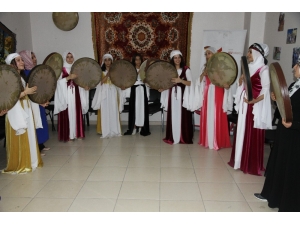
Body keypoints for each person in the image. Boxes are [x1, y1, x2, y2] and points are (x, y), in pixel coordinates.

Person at [254, 56, 300, 211]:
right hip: (285, 132)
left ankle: (287, 203)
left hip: (295, 135)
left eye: (297, 65)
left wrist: (294, 124)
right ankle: (271, 195)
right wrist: (277, 99)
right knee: (278, 165)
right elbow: (287, 107)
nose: (294, 68)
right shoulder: (295, 85)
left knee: (289, 169)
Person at [228, 43, 273, 176]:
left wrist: (254, 101)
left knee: (250, 132)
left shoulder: (264, 70)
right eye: (248, 52)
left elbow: (265, 90)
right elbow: (243, 85)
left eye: (250, 52)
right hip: (244, 105)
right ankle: (239, 160)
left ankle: (250, 163)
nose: (248, 55)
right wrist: (241, 81)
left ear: (258, 54)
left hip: (254, 107)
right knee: (241, 130)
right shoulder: (248, 68)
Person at [2, 53, 43, 174]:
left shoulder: (21, 77)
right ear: (11, 64)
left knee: (29, 134)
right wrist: (26, 92)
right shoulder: (8, 78)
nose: (22, 62)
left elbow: (27, 94)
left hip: (25, 107)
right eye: (18, 60)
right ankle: (21, 163)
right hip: (16, 111)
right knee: (21, 136)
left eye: (22, 60)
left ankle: (30, 160)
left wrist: (40, 103)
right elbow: (10, 97)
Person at [194, 46, 231, 150]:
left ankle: (217, 141)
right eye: (206, 54)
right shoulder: (205, 67)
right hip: (207, 92)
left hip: (218, 91)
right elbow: (199, 81)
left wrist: (226, 86)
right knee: (207, 114)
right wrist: (203, 74)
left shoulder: (221, 67)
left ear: (214, 54)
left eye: (209, 53)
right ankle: (207, 140)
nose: (207, 56)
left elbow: (226, 80)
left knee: (217, 114)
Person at [19, 50, 50, 156]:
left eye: (34, 56)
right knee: (34, 123)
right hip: (31, 102)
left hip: (38, 100)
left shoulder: (34, 70)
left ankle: (40, 144)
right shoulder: (25, 74)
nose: (35, 59)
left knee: (40, 121)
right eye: (32, 57)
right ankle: (36, 146)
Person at [160, 50, 194, 144]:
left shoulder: (186, 69)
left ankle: (183, 137)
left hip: (182, 96)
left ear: (181, 58)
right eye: (175, 57)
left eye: (179, 57)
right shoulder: (169, 70)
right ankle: (173, 136)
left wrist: (180, 81)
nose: (177, 59)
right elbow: (166, 83)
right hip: (172, 95)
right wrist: (162, 89)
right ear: (172, 59)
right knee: (173, 115)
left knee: (183, 115)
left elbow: (190, 83)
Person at [54, 51, 89, 142]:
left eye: (71, 57)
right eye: (68, 57)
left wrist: (85, 87)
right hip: (66, 94)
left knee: (76, 112)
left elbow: (81, 81)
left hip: (76, 94)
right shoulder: (61, 70)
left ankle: (78, 133)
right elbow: (57, 83)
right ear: (64, 58)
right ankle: (69, 134)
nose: (70, 59)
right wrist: (68, 78)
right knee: (68, 112)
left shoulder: (77, 69)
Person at [91, 54, 125, 138]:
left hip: (113, 92)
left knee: (113, 110)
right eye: (105, 60)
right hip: (104, 93)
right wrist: (107, 75)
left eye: (109, 60)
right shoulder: (100, 72)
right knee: (105, 110)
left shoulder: (116, 71)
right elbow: (99, 83)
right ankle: (105, 129)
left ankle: (114, 129)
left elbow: (119, 82)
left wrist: (122, 86)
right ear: (103, 61)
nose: (107, 62)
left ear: (111, 61)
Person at [124, 53, 151, 136]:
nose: (138, 61)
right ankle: (134, 127)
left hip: (142, 89)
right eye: (136, 59)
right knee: (134, 108)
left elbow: (148, 80)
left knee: (142, 108)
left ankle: (142, 127)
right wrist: (137, 74)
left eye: (139, 59)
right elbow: (128, 80)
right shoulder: (131, 69)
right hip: (134, 89)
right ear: (134, 60)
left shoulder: (145, 69)